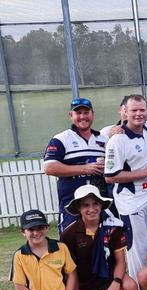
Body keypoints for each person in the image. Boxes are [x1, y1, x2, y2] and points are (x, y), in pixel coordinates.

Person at [61, 185, 145, 290]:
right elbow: (71, 274)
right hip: (85, 284)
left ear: (101, 205)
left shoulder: (114, 227)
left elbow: (121, 262)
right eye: (86, 205)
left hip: (108, 276)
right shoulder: (69, 234)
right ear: (78, 208)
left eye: (95, 204)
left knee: (131, 286)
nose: (91, 209)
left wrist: (115, 284)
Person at [104, 94, 147, 290]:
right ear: (123, 112)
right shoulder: (117, 139)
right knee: (137, 253)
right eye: (134, 111)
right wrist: (146, 173)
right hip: (131, 203)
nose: (139, 114)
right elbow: (110, 176)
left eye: (142, 110)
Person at [44, 98, 108, 233]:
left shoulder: (103, 139)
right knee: (71, 246)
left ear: (93, 114)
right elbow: (49, 168)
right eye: (78, 113)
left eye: (86, 112)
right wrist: (86, 168)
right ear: (71, 115)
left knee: (103, 245)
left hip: (98, 205)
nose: (83, 116)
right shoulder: (61, 139)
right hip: (71, 205)